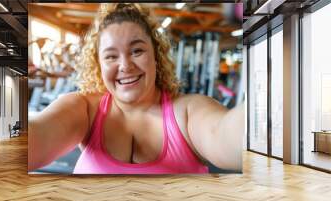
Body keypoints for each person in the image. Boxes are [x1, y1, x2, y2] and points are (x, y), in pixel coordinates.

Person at [29, 3, 245, 174]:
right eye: (111, 56)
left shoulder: (188, 112)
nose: (125, 65)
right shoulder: (84, 108)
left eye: (137, 51)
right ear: (99, 64)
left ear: (156, 56)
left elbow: (226, 135)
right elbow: (36, 137)